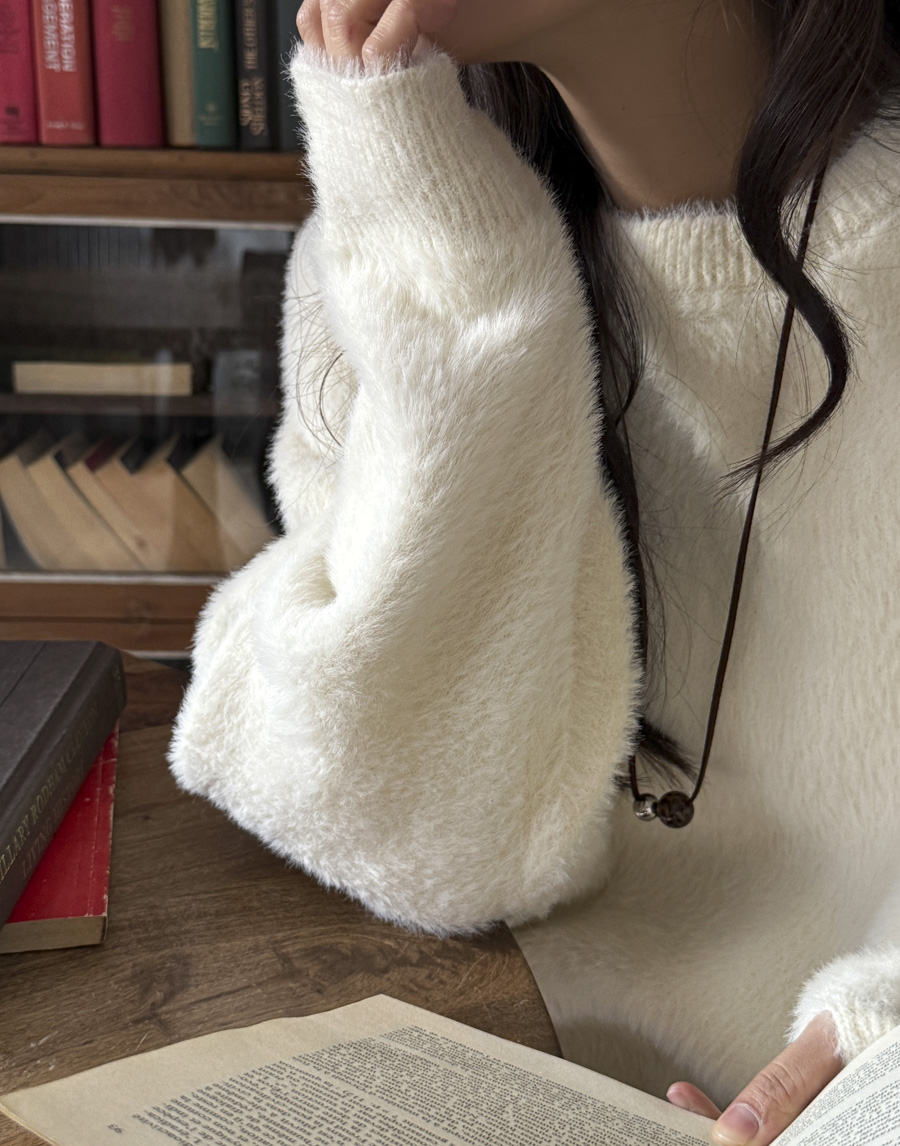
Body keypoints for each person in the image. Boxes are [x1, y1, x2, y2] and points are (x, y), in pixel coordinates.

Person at [167, 2, 900, 1143]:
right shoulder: (399, 230)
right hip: (493, 1058)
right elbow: (431, 835)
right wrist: (467, 281)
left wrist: (881, 1025)